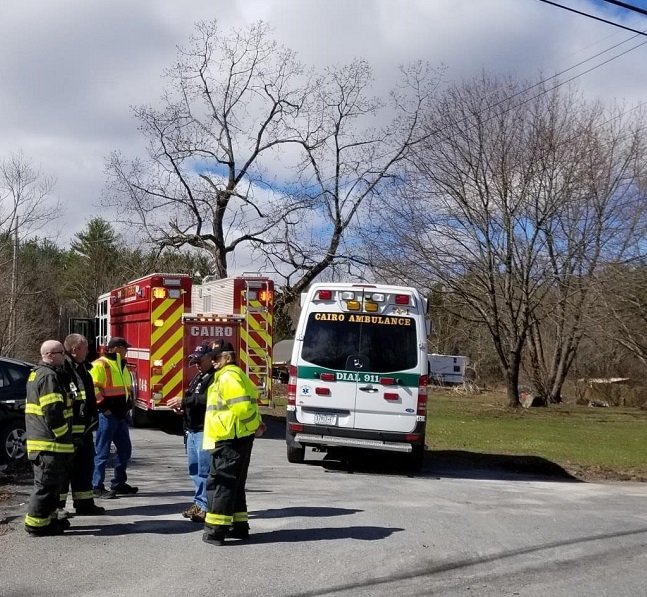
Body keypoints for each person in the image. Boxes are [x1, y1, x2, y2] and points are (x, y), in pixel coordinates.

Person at [202, 341, 266, 546]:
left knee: (221, 484)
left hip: (230, 438)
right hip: (235, 437)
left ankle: (215, 531)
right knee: (235, 485)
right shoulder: (232, 375)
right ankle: (238, 526)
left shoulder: (228, 376)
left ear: (227, 358)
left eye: (216, 357)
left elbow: (242, 408)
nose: (212, 361)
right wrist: (255, 426)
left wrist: (255, 425)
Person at [24, 340, 74, 536]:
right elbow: (52, 411)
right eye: (62, 353)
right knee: (45, 486)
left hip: (48, 443)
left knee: (53, 486)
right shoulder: (48, 376)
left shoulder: (40, 373)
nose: (65, 356)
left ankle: (48, 521)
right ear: (50, 355)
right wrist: (63, 434)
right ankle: (35, 525)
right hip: (49, 443)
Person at [167, 341, 216, 523]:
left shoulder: (214, 378)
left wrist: (184, 402)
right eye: (194, 360)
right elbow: (192, 398)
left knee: (204, 471)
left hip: (205, 429)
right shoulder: (199, 376)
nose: (196, 364)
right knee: (195, 470)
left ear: (211, 358)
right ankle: (199, 503)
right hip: (192, 430)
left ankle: (204, 507)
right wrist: (182, 409)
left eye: (199, 360)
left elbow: (206, 400)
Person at [57, 333, 106, 516]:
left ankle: (84, 503)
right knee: (63, 471)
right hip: (68, 431)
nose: (88, 351)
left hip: (84, 430)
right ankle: (58, 507)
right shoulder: (63, 369)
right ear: (75, 349)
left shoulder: (82, 367)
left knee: (84, 468)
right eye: (85, 348)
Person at [91, 336, 138, 498]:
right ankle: (96, 486)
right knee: (102, 452)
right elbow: (93, 388)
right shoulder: (101, 364)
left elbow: (125, 389)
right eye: (125, 348)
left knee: (125, 450)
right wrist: (104, 408)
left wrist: (128, 405)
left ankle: (119, 483)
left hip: (120, 416)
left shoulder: (121, 364)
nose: (127, 351)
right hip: (108, 416)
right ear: (117, 348)